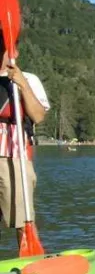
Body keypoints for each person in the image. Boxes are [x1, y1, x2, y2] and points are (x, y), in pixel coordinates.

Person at [0, 28, 50, 241]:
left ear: (13, 51)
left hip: (13, 156)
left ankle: (32, 264)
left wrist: (21, 83)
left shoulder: (28, 79)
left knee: (23, 221)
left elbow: (38, 116)